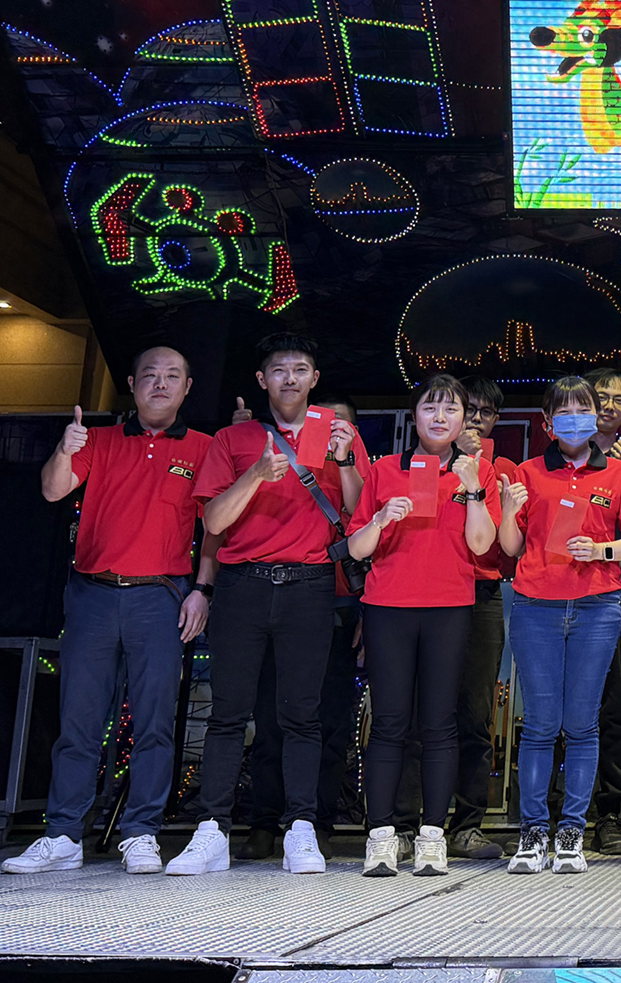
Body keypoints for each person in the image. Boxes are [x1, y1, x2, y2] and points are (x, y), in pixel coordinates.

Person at [4, 347, 214, 876]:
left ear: (187, 387)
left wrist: (202, 590)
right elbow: (53, 489)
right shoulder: (97, 439)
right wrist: (64, 447)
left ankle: (141, 833)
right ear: (132, 383)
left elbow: (215, 527)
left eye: (172, 376)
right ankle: (62, 834)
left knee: (154, 723)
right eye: (150, 376)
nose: (160, 384)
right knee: (79, 720)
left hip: (160, 595)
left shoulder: (204, 447)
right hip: (93, 593)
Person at [173, 332, 362, 876]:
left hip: (310, 585)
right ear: (262, 380)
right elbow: (213, 520)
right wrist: (256, 474)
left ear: (314, 379)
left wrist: (346, 460)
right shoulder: (234, 439)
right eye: (279, 370)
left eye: (300, 369)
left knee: (302, 714)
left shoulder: (338, 433)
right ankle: (211, 830)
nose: (289, 378)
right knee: (229, 712)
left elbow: (357, 515)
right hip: (243, 584)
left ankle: (301, 828)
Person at [346, 374, 498, 877]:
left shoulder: (475, 473)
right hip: (388, 606)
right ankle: (382, 836)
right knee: (390, 723)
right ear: (414, 416)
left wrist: (474, 491)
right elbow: (356, 548)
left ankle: (433, 836)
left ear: (463, 420)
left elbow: (482, 545)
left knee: (439, 723)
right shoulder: (385, 469)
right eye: (430, 407)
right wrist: (381, 518)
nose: (440, 417)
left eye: (451, 409)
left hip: (450, 606)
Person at [497, 376, 621, 875]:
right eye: (564, 412)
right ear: (547, 423)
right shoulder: (528, 472)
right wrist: (508, 511)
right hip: (535, 607)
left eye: (583, 410)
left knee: (583, 724)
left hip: (597, 608)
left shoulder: (619, 474)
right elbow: (511, 547)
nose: (575, 420)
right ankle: (533, 831)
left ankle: (571, 832)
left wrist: (601, 550)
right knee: (541, 724)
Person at [237, 395, 369, 859]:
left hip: (341, 608)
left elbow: (375, 537)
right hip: (281, 601)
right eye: (322, 421)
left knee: (329, 724)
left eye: (340, 424)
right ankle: (263, 822)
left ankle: (318, 822)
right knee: (271, 718)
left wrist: (367, 613)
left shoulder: (356, 469)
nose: (330, 429)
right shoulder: (282, 460)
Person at [438, 376, 520, 859]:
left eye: (485, 412)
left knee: (476, 714)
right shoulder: (424, 463)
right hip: (429, 592)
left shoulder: (502, 469)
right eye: (467, 408)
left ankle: (467, 825)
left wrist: (476, 466)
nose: (474, 419)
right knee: (424, 713)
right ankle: (412, 825)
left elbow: (502, 543)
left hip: (482, 591)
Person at [582, 362, 621, 858]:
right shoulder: (557, 459)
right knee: (557, 711)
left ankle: (609, 814)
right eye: (600, 396)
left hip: (617, 599)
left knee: (613, 711)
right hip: (555, 600)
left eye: (618, 399)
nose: (608, 405)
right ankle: (555, 814)